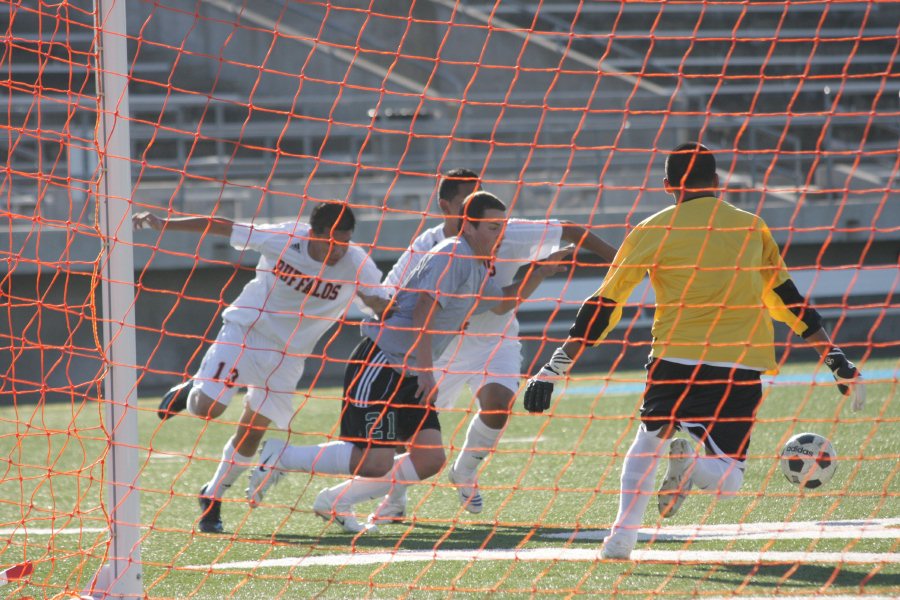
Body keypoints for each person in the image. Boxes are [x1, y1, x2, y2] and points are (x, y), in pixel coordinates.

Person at [523, 142, 866, 560]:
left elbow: (605, 303)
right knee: (730, 482)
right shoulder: (751, 226)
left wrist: (552, 370)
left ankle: (620, 541)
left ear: (668, 186)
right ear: (717, 183)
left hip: (674, 359)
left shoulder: (652, 229)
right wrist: (836, 358)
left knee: (647, 443)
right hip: (739, 363)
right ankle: (692, 469)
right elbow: (787, 299)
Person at [246, 191, 564, 533]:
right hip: (384, 362)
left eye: (502, 227)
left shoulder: (476, 266)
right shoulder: (453, 254)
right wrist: (427, 372)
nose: (499, 235)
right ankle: (281, 456)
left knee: (429, 460)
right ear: (467, 226)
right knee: (373, 461)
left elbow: (504, 303)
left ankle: (335, 500)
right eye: (491, 227)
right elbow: (423, 313)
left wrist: (541, 272)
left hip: (410, 370)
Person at [367, 169, 618, 525]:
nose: (474, 207)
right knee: (406, 429)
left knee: (499, 404)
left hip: (494, 340)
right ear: (447, 207)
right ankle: (394, 500)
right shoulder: (431, 247)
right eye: (464, 203)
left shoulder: (506, 230)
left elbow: (572, 231)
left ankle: (465, 470)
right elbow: (391, 296)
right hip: (442, 347)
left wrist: (624, 261)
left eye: (478, 197)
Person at [133, 202, 388, 534]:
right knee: (208, 408)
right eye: (332, 242)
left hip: (288, 357)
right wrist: (166, 223)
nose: (339, 250)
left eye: (345, 241)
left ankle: (212, 495)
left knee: (252, 434)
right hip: (247, 331)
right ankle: (192, 389)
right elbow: (222, 224)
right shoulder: (285, 238)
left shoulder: (357, 262)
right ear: (314, 234)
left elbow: (379, 302)